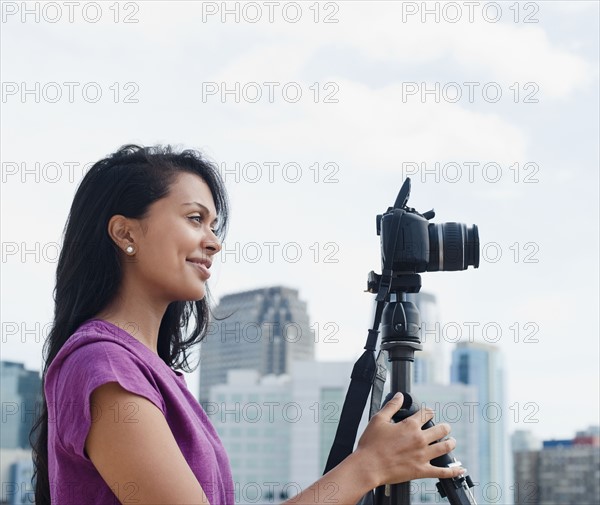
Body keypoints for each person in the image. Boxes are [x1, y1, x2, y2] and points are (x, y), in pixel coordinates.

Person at [30, 144, 464, 505]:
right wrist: (368, 466)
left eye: (214, 225)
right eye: (195, 218)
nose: (214, 242)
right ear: (126, 233)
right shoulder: (103, 366)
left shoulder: (154, 373)